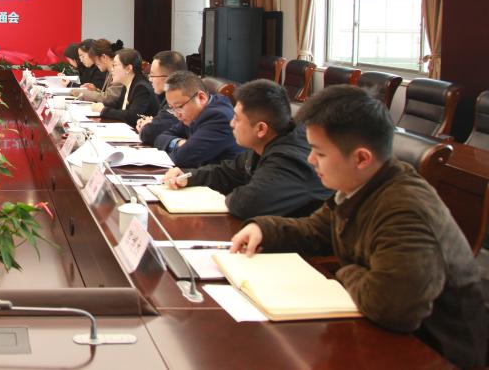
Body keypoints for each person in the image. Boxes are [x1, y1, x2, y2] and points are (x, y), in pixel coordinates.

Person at [230, 86, 486, 369]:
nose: (310, 160)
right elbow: (316, 230)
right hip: (381, 332)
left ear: (362, 158)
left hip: (435, 350)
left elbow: (392, 307)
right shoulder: (359, 185)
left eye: (320, 153)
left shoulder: (405, 210)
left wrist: (345, 272)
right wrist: (264, 229)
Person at [163, 79, 330, 218]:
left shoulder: (289, 160)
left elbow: (246, 204)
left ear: (261, 129)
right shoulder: (266, 143)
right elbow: (227, 172)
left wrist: (227, 196)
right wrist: (188, 176)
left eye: (237, 119)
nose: (231, 123)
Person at [154, 71, 239, 167]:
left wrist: (185, 148)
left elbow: (181, 158)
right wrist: (179, 143)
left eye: (179, 106)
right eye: (172, 108)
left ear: (201, 98)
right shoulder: (193, 114)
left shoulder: (219, 117)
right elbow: (160, 138)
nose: (177, 114)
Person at [90, 48, 158, 126]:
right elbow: (118, 107)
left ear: (128, 68)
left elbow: (133, 116)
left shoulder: (141, 87)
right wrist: (101, 107)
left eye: (115, 65)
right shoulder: (126, 84)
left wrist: (104, 110)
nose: (112, 69)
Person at [136, 50, 185, 146]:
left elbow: (150, 133)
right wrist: (152, 123)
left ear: (169, 78)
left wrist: (148, 126)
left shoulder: (180, 98)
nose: (150, 79)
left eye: (153, 75)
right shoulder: (165, 95)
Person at [70, 39, 123, 106]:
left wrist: (83, 93)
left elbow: (109, 99)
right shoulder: (109, 72)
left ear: (104, 57)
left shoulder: (117, 73)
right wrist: (96, 90)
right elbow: (108, 95)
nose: (95, 63)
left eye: (95, 60)